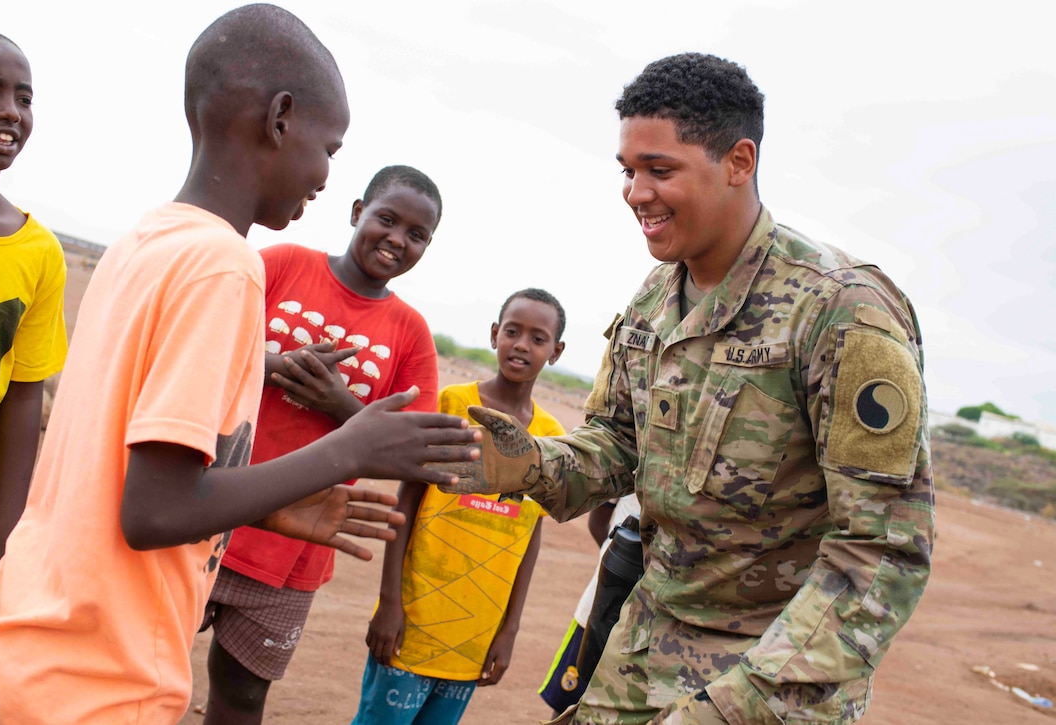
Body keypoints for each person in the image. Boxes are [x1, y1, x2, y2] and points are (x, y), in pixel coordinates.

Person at [0, 7, 479, 725]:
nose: (325, 176)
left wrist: (266, 501)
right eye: (327, 148)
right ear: (279, 119)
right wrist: (350, 445)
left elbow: (120, 472)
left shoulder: (148, 238)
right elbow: (155, 512)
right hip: (94, 682)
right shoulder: (225, 267)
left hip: (23, 645)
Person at [436, 52, 934, 725]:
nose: (636, 192)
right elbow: (617, 444)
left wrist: (737, 705)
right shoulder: (653, 299)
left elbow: (880, 551)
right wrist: (530, 463)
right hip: (640, 651)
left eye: (660, 170)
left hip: (767, 682)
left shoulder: (842, 311)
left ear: (738, 161)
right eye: (629, 170)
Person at [200, 164, 446, 725]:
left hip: (293, 551)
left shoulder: (410, 334)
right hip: (202, 511)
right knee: (149, 666)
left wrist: (340, 405)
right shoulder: (283, 265)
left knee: (241, 698)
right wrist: (273, 366)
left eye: (417, 234)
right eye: (387, 219)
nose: (397, 239)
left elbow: (413, 449)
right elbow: (204, 340)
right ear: (358, 211)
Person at [352, 288, 569, 725]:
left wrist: (508, 631)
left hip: (474, 633)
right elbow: (407, 502)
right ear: (494, 335)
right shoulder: (451, 403)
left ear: (556, 351)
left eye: (538, 338)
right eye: (512, 331)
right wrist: (389, 603)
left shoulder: (552, 438)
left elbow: (531, 536)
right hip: (411, 621)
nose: (522, 344)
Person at [0, 27, 67, 619]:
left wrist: (2, 535)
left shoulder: (37, 251)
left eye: (24, 98)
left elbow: (25, 395)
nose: (10, 112)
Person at [538, 494, 640, 719]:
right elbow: (597, 521)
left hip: (654, 626)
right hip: (599, 611)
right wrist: (620, 570)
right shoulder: (640, 459)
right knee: (569, 705)